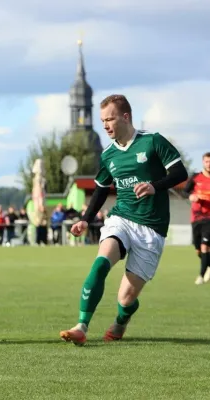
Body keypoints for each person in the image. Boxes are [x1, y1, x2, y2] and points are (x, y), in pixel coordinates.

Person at [59, 94, 188, 346]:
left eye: (110, 119)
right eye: (102, 120)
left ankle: (121, 320)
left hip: (152, 228)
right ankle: (81, 326)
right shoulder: (109, 155)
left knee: (126, 299)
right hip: (122, 218)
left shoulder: (153, 142)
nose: (105, 125)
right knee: (100, 263)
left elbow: (179, 172)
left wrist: (154, 186)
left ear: (126, 117)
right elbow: (100, 188)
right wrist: (85, 219)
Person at [183, 152, 210, 284]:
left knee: (205, 246)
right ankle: (208, 264)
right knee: (198, 249)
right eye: (207, 161)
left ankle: (201, 275)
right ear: (203, 162)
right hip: (196, 218)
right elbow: (185, 192)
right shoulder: (195, 177)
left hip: (209, 219)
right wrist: (191, 197)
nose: (209, 164)